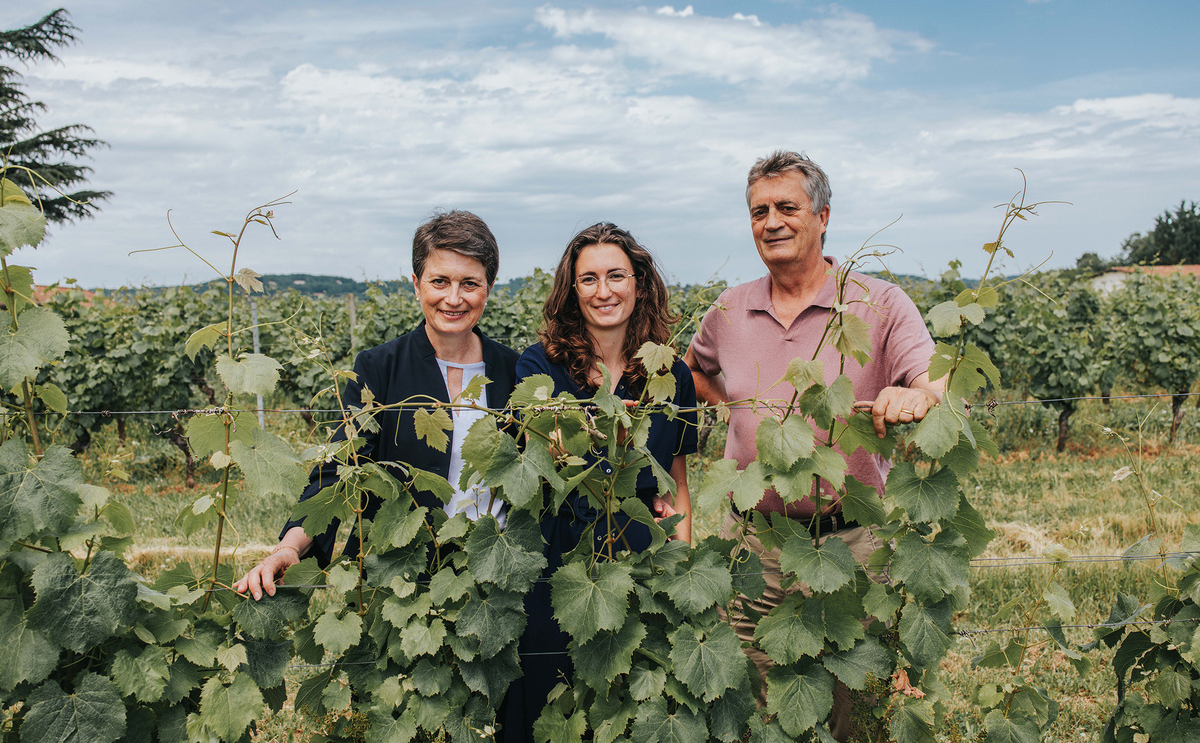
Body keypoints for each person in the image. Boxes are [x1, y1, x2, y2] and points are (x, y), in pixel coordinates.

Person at [683, 151, 942, 741]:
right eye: (758, 212)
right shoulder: (730, 307)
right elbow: (690, 372)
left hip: (851, 543)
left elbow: (932, 378)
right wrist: (732, 409)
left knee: (850, 708)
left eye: (786, 208)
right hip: (754, 544)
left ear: (824, 215)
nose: (770, 222)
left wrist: (916, 397)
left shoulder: (877, 302)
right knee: (753, 704)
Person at [234, 209, 519, 597]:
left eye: (470, 283)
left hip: (495, 576)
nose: (454, 298)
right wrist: (288, 548)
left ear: (489, 287)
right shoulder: (378, 368)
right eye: (440, 281)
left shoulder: (514, 370)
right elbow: (338, 472)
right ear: (417, 285)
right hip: (398, 582)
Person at [503, 221, 698, 739]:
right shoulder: (540, 366)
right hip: (562, 556)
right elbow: (551, 456)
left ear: (640, 282)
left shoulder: (670, 374)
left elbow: (675, 482)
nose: (604, 291)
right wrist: (607, 421)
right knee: (555, 701)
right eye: (588, 279)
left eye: (616, 275)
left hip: (641, 550)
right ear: (572, 290)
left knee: (630, 705)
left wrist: (684, 564)